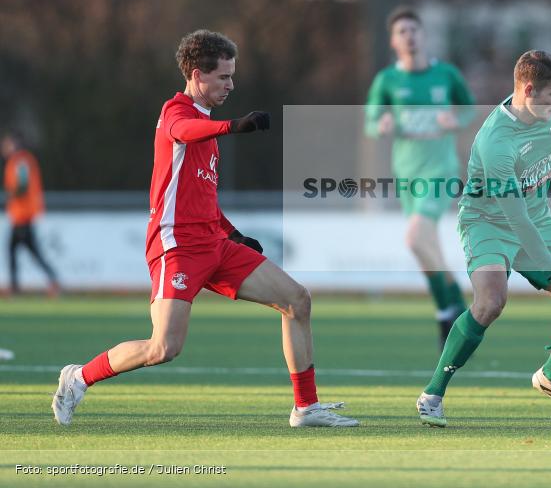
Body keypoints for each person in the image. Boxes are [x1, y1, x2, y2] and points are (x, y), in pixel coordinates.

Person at [52, 30, 359, 427]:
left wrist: (233, 234)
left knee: (297, 300)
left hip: (215, 243)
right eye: (223, 77)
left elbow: (203, 197)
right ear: (197, 75)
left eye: (232, 76)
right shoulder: (176, 112)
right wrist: (234, 127)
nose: (231, 85)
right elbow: (182, 131)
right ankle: (78, 377)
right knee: (164, 347)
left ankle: (306, 408)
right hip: (177, 245)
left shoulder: (205, 124)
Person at [416, 50, 551, 427]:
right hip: (488, 222)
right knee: (490, 302)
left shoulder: (541, 110)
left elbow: (528, 211)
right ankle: (432, 394)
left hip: (537, 219)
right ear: (529, 90)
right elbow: (514, 217)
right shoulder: (496, 143)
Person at [365, 6, 475, 348]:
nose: (409, 36)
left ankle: (447, 307)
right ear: (393, 41)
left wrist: (456, 120)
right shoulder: (387, 80)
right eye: (402, 31)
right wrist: (381, 125)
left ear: (423, 35)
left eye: (414, 29)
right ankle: (453, 311)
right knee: (428, 248)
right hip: (407, 173)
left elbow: (469, 108)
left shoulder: (446, 74)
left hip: (440, 169)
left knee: (415, 239)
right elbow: (370, 121)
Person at [2, 132, 59, 297]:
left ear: (14, 144)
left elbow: (23, 184)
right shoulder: (20, 160)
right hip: (20, 215)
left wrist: (11, 195)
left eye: (6, 145)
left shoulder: (20, 160)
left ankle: (16, 288)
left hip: (23, 215)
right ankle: (51, 282)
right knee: (22, 251)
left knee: (21, 251)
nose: (4, 148)